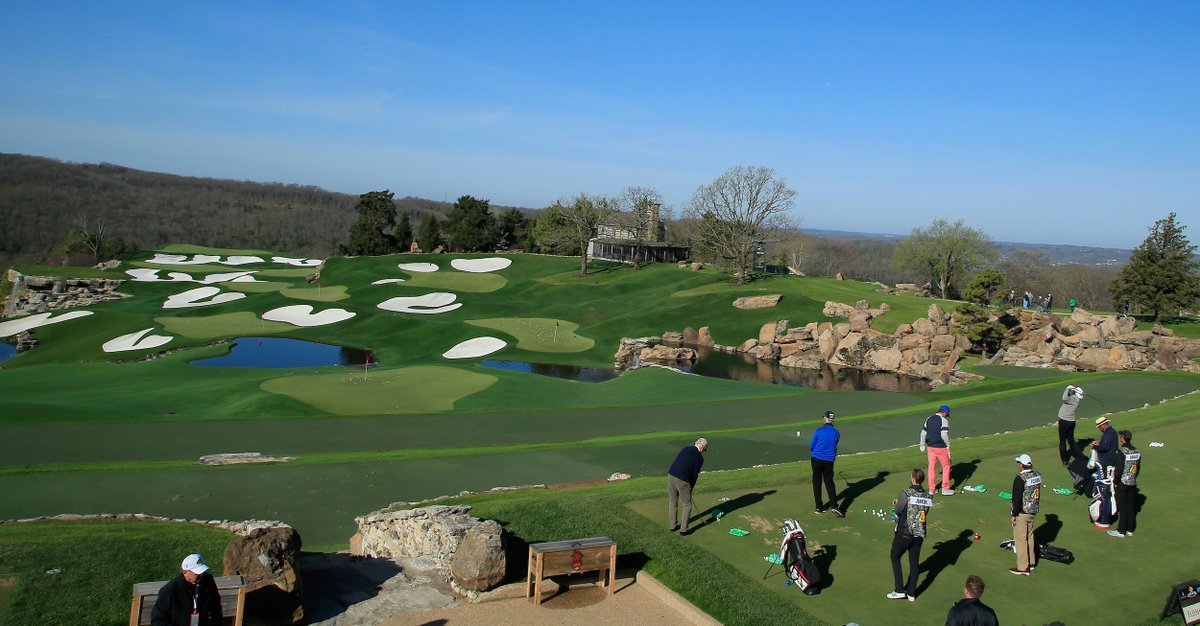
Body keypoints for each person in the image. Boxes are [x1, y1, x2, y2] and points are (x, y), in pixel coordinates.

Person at [887, 469, 932, 601]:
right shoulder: (928, 496)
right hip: (919, 533)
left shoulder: (906, 493)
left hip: (905, 532)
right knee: (914, 563)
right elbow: (924, 511)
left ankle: (899, 590)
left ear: (913, 479)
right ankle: (911, 593)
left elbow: (898, 511)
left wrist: (897, 504)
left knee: (895, 556)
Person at [151, 553, 223, 626]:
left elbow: (215, 606)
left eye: (202, 572)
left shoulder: (208, 581)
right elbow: (157, 620)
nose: (201, 576)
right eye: (197, 573)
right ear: (185, 572)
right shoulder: (169, 591)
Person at [1009, 454, 1042, 575]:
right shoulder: (1037, 475)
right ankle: (1031, 562)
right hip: (1033, 510)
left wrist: (1013, 514)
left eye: (1019, 463)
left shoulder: (1020, 478)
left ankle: (1023, 567)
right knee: (1029, 536)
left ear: (1022, 465)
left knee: (1021, 539)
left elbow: (1016, 498)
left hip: (1022, 512)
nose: (1018, 465)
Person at [667, 437, 707, 535]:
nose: (704, 451)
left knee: (673, 502)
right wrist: (691, 487)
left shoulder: (686, 448)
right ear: (702, 447)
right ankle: (683, 530)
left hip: (671, 475)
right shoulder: (699, 458)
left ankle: (672, 526)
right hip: (682, 479)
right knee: (687, 505)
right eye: (705, 449)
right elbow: (694, 475)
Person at [809, 410, 844, 517]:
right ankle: (834, 506)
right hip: (829, 460)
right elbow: (834, 445)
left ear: (825, 419)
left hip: (816, 459)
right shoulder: (836, 433)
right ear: (832, 420)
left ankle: (819, 507)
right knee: (829, 482)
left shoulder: (818, 431)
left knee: (817, 482)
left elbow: (811, 446)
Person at [1109, 430, 1141, 538]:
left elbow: (1119, 469)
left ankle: (1121, 531)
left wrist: (1115, 482)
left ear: (1123, 438)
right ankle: (1130, 529)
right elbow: (1138, 467)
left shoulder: (1122, 451)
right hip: (1132, 482)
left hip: (1123, 482)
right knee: (1131, 506)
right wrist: (1134, 477)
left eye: (1120, 436)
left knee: (1122, 507)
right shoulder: (1137, 451)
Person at [919, 405, 954, 495]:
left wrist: (922, 443)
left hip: (930, 447)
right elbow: (944, 435)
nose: (947, 416)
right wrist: (947, 445)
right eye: (947, 414)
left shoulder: (929, 418)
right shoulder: (944, 420)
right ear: (945, 412)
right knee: (946, 467)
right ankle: (945, 489)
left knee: (931, 468)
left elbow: (923, 433)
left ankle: (932, 490)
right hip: (941, 447)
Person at [1057, 384, 1084, 465]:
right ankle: (1081, 456)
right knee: (1071, 441)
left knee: (1062, 441)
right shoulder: (1076, 399)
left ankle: (1065, 460)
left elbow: (1064, 398)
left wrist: (1067, 388)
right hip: (1071, 422)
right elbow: (1068, 397)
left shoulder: (1073, 398)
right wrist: (1071, 390)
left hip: (1064, 421)